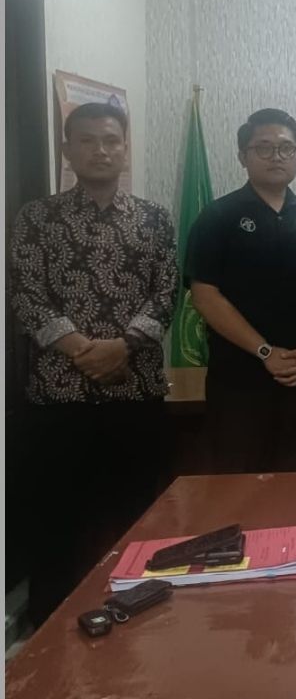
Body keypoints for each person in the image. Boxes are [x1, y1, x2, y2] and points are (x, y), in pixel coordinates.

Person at [9, 102, 177, 627]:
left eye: (110, 140)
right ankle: (51, 630)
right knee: (58, 522)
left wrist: (123, 346)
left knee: (137, 519)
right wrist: (86, 351)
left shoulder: (154, 218)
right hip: (60, 397)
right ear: (68, 149)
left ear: (125, 147)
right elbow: (26, 297)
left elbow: (167, 294)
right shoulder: (36, 217)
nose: (100, 150)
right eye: (87, 141)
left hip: (136, 393)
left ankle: (138, 622)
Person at [186, 108, 296, 474]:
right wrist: (264, 351)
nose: (277, 157)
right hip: (239, 383)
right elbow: (204, 294)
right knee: (241, 488)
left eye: (286, 148)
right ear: (243, 156)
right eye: (264, 148)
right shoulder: (217, 217)